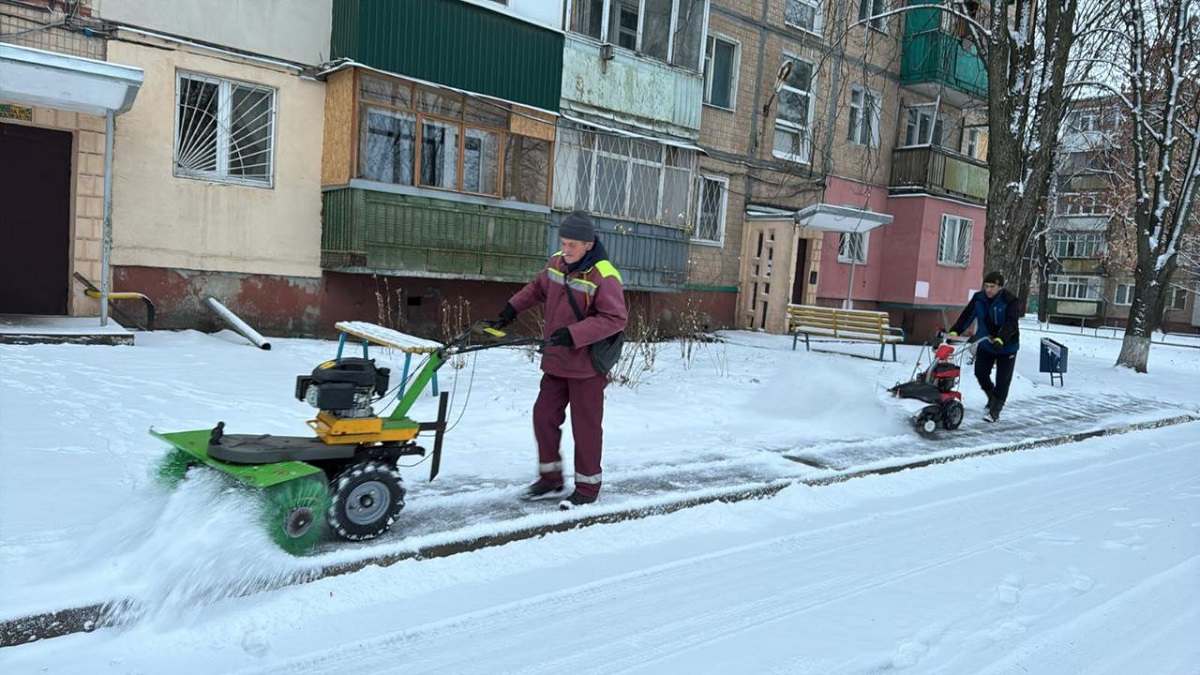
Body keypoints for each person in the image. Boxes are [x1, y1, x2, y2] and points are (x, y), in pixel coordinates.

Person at [489, 210, 628, 509]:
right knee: (543, 416)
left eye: (572, 245)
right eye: (563, 242)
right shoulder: (557, 263)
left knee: (586, 427)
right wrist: (511, 308)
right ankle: (550, 479)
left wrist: (574, 334)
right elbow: (537, 289)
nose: (566, 249)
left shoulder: (604, 275)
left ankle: (588, 488)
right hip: (557, 360)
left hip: (586, 364)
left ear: (589, 244)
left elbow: (615, 318)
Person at [947, 270, 1021, 422]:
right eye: (986, 286)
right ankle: (991, 397)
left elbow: (1011, 323)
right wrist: (955, 331)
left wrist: (1001, 339)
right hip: (985, 343)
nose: (988, 289)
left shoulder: (1010, 300)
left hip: (1006, 346)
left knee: (1003, 380)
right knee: (980, 373)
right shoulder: (979, 298)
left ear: (1000, 287)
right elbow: (967, 315)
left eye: (992, 286)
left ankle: (995, 411)